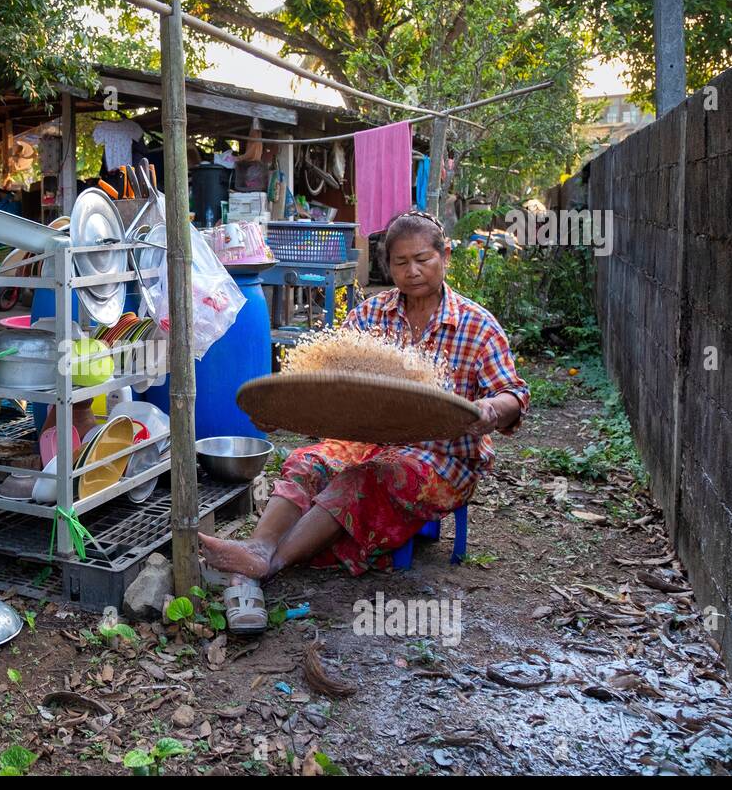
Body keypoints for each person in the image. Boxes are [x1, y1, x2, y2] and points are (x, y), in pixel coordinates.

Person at [198, 210, 530, 628]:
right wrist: (278, 411)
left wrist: (490, 410)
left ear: (445, 256)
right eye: (400, 262)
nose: (412, 271)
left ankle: (273, 564)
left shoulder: (477, 326)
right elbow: (327, 386)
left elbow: (514, 394)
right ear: (386, 265)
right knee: (309, 460)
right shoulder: (370, 318)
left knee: (365, 477)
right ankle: (259, 548)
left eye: (423, 259)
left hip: (443, 457)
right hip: (369, 440)